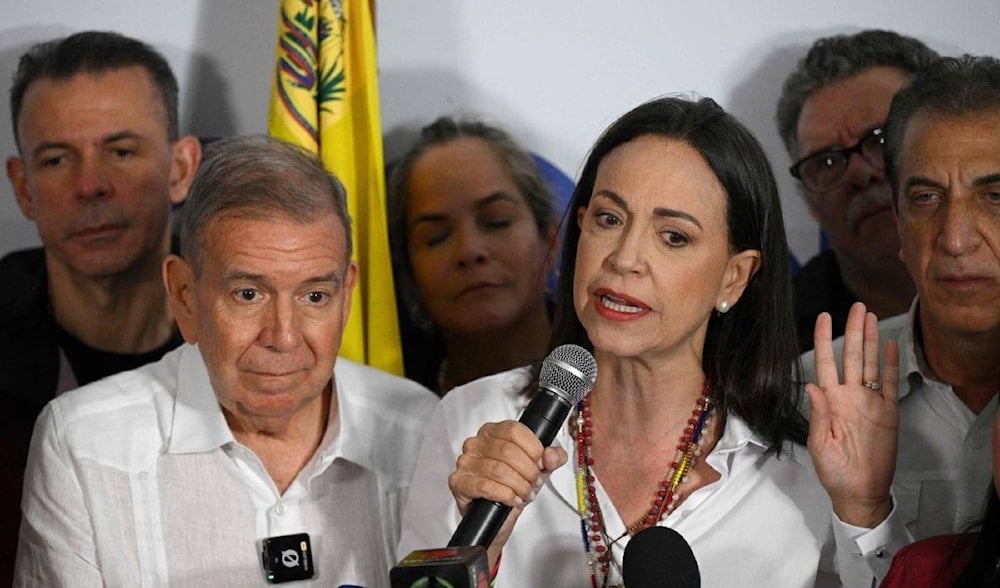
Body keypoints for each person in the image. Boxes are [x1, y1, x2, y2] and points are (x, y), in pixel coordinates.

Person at [397, 96, 873, 586]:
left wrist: (863, 508)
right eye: (609, 219)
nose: (625, 258)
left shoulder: (810, 463)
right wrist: (483, 551)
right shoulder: (473, 419)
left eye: (673, 237)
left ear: (734, 277)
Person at [14, 135, 438, 587]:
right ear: (184, 296)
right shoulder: (85, 445)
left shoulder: (420, 429)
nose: (284, 337)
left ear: (347, 295)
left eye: (315, 295)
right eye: (248, 294)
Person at [0, 31, 201, 580]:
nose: (91, 186)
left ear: (181, 169)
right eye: (58, 158)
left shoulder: (257, 335)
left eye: (121, 151)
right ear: (23, 187)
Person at [802, 54, 1000, 585]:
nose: (957, 239)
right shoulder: (808, 396)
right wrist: (863, 513)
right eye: (926, 198)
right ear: (898, 222)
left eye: (996, 197)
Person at [776, 29, 939, 351]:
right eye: (826, 161)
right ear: (808, 201)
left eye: (882, 140)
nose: (859, 172)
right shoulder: (774, 350)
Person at [387, 117, 557, 394]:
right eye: (436, 237)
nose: (469, 250)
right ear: (409, 273)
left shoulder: (621, 373)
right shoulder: (390, 412)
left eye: (496, 221)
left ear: (550, 240)